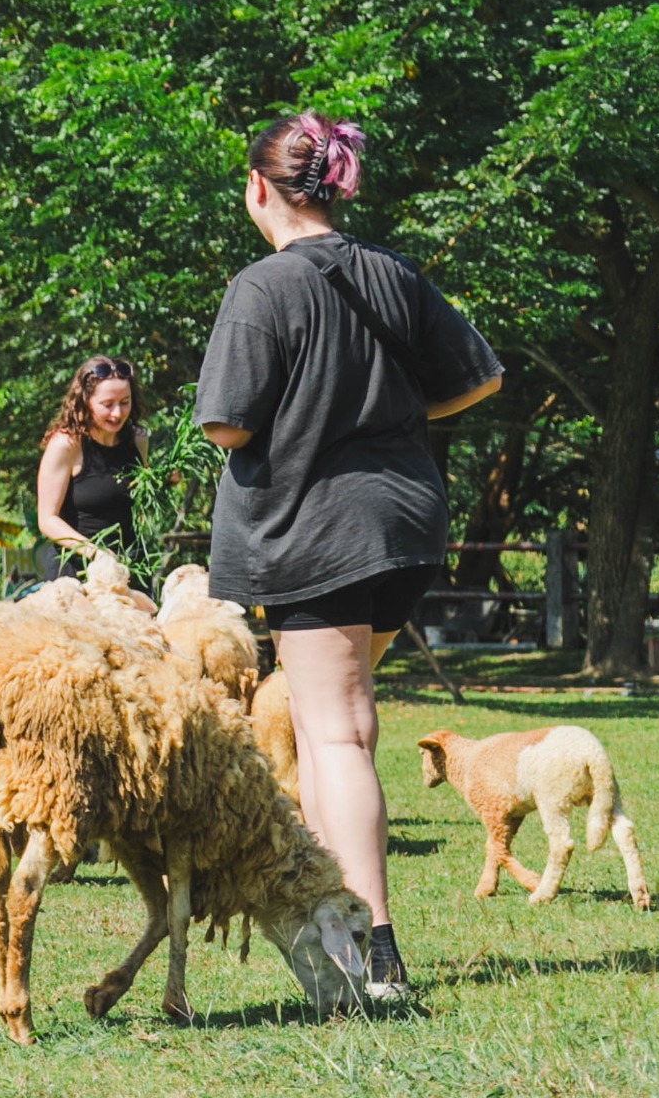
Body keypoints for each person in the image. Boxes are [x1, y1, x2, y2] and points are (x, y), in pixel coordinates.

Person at [196, 113, 501, 1004]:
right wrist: (390, 422)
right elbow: (477, 379)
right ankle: (339, 921)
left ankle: (375, 950)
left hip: (313, 525)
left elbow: (226, 422)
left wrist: (317, 422)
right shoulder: (392, 271)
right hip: (402, 522)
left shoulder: (262, 286)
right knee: (350, 727)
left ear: (260, 188)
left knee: (333, 732)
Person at [36, 357, 144, 578]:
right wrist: (97, 554)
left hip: (128, 568)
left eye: (125, 402)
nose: (117, 413)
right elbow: (47, 520)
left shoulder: (138, 439)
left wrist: (163, 482)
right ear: (85, 401)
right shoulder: (65, 445)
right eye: (108, 404)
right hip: (76, 572)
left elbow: (132, 499)